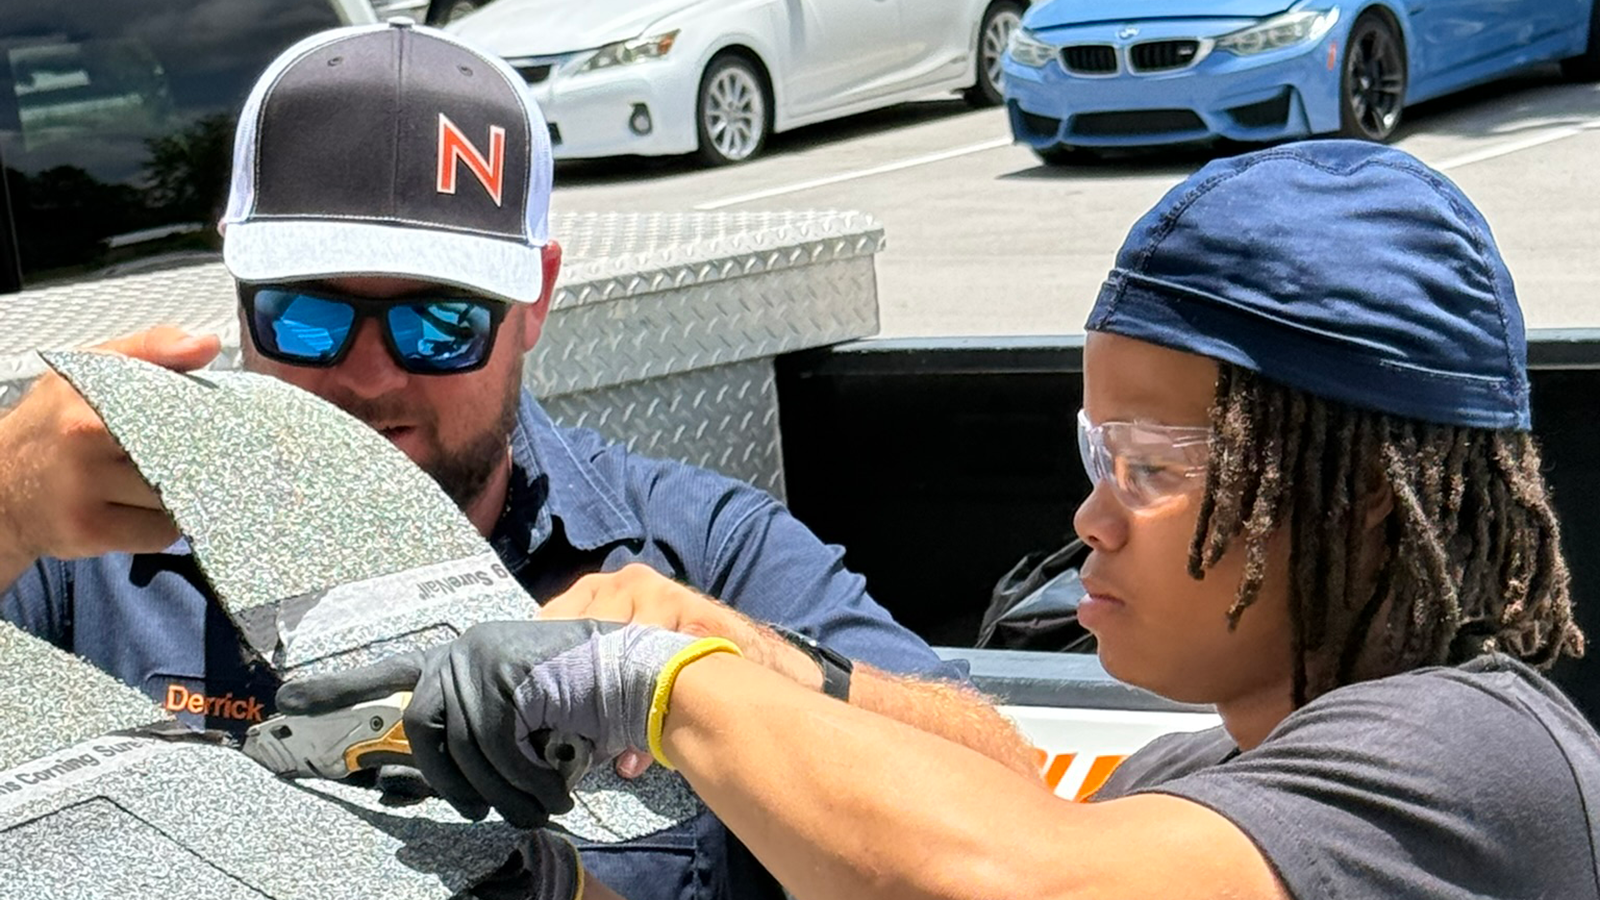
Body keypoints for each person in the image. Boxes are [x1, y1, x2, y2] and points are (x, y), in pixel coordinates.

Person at [289, 139, 1600, 899]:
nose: (1091, 518)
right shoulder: (1184, 790)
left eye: (1150, 465)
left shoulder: (1474, 758)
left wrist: (658, 681)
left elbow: (1003, 883)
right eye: (1095, 453)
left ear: (1363, 502)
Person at [0, 20, 1038, 900]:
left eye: (440, 321)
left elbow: (1016, 801)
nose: (368, 377)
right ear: (236, 296)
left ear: (535, 299)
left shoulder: (691, 551)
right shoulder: (80, 540)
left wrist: (724, 664)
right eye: (305, 317)